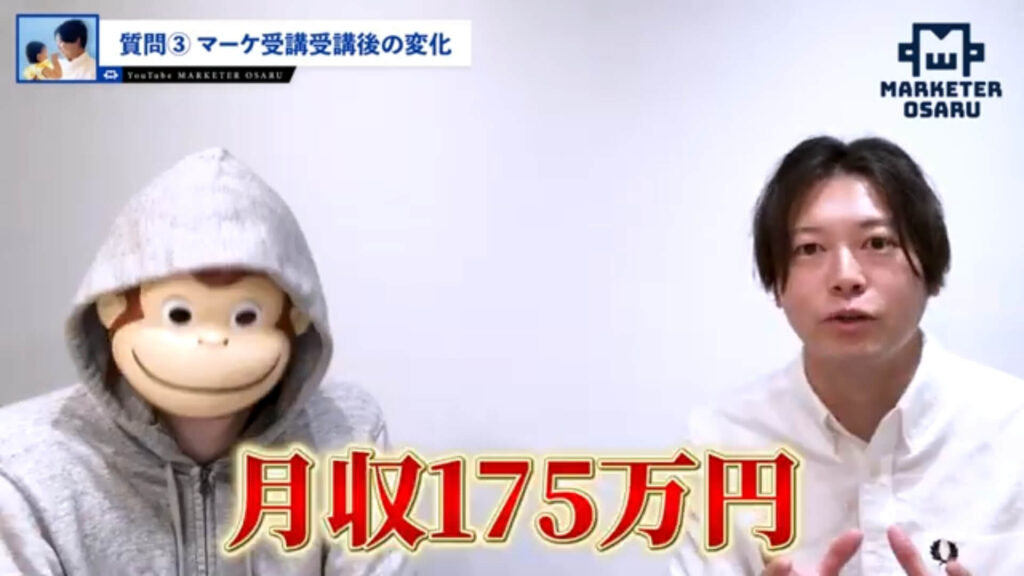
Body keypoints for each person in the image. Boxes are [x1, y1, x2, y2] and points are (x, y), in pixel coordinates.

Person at [0, 148, 411, 575]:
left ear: (296, 319)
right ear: (112, 307)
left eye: (246, 316)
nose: (212, 339)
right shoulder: (22, 467)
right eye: (179, 314)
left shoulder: (347, 433)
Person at [669, 136, 1024, 575]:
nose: (845, 277)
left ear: (931, 269)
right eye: (810, 249)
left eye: (877, 243)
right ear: (776, 283)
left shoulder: (1013, 429)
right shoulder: (723, 444)